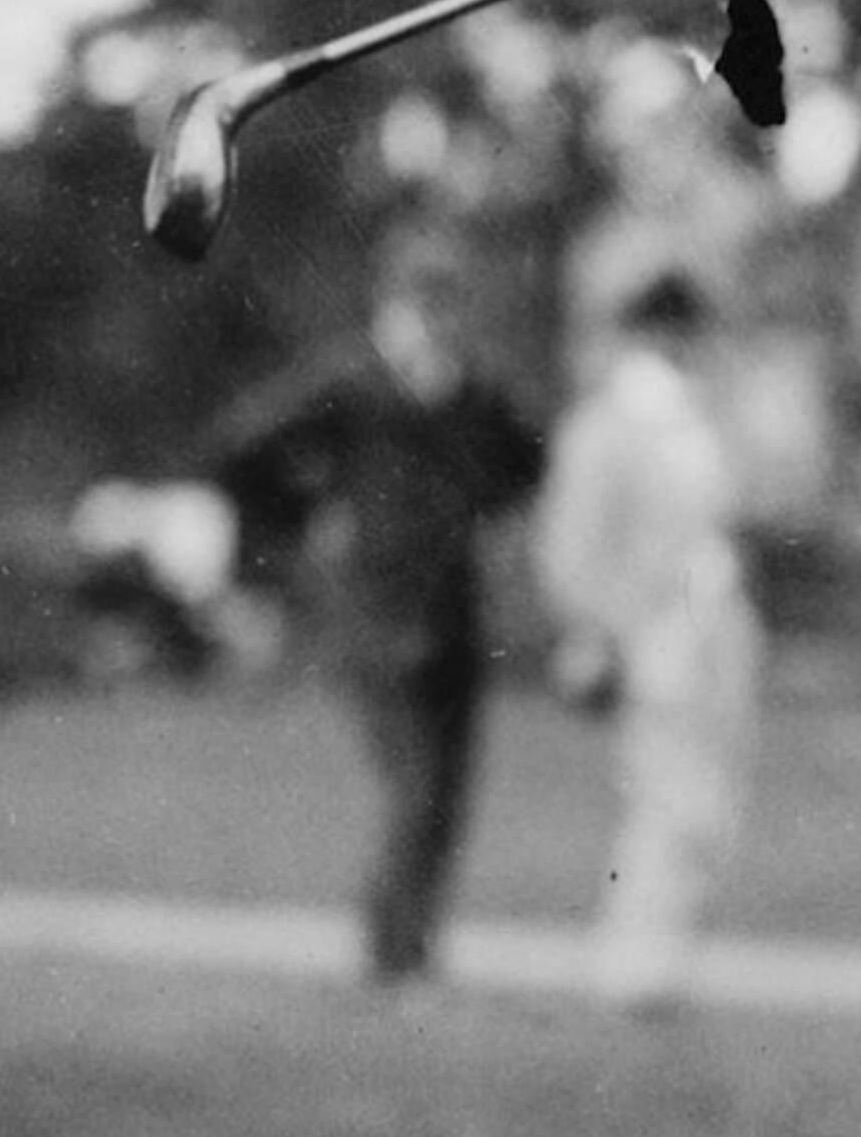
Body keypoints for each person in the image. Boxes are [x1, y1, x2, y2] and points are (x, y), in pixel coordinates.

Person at [206, 216, 544, 982]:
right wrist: (301, 522)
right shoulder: (350, 384)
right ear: (391, 303)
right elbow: (240, 450)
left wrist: (480, 510)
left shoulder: (478, 392)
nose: (435, 320)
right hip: (373, 613)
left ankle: (413, 947)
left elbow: (528, 462)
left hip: (453, 609)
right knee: (417, 784)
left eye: (447, 303)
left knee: (449, 793)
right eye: (421, 302)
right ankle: (392, 956)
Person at [533, 266, 760, 1011]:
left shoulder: (700, 422)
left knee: (709, 810)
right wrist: (612, 630)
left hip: (714, 633)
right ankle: (635, 968)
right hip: (655, 636)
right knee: (669, 804)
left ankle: (666, 964)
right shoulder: (606, 428)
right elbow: (571, 553)